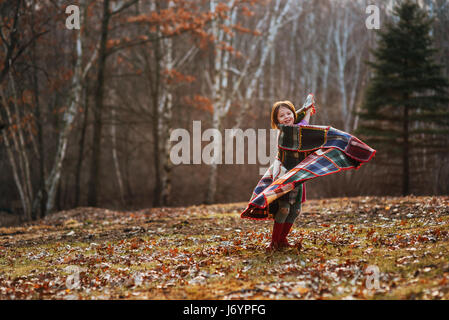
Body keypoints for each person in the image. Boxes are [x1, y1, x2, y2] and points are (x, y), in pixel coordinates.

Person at [240, 94, 376, 252]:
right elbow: (303, 129)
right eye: (281, 116)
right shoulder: (285, 133)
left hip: (297, 176)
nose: (286, 117)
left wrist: (306, 109)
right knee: (284, 208)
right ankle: (274, 242)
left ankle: (282, 240)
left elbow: (302, 124)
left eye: (289, 114)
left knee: (295, 210)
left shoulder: (296, 128)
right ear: (277, 121)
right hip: (283, 176)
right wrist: (307, 113)